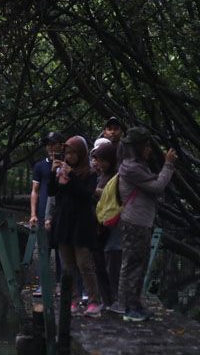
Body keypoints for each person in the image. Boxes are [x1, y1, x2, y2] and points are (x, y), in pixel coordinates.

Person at [114, 127, 178, 321]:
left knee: (138, 264)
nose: (149, 149)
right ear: (137, 147)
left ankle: (134, 305)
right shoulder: (132, 168)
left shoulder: (135, 166)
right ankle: (128, 307)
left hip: (139, 221)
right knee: (133, 264)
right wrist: (168, 165)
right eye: (146, 145)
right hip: (135, 222)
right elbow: (158, 186)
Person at [49, 136, 102, 317]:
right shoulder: (62, 172)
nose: (69, 156)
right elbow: (51, 191)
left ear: (81, 153)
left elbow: (86, 195)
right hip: (64, 222)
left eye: (73, 152)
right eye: (67, 153)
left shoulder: (90, 173)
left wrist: (71, 175)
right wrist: (53, 173)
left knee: (84, 263)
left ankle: (94, 301)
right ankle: (72, 299)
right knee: (67, 265)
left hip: (81, 223)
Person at [29, 131, 65, 297]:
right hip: (44, 213)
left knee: (62, 251)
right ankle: (43, 284)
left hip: (62, 213)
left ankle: (60, 284)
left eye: (55, 144)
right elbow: (35, 191)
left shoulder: (66, 164)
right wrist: (33, 213)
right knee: (44, 249)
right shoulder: (40, 166)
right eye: (49, 144)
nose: (51, 148)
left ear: (61, 145)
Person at [91, 141, 122, 308]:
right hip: (100, 227)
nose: (100, 164)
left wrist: (96, 192)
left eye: (103, 160)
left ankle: (114, 299)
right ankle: (106, 300)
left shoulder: (117, 176)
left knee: (112, 263)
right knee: (99, 265)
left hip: (113, 227)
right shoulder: (100, 176)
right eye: (97, 160)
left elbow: (116, 196)